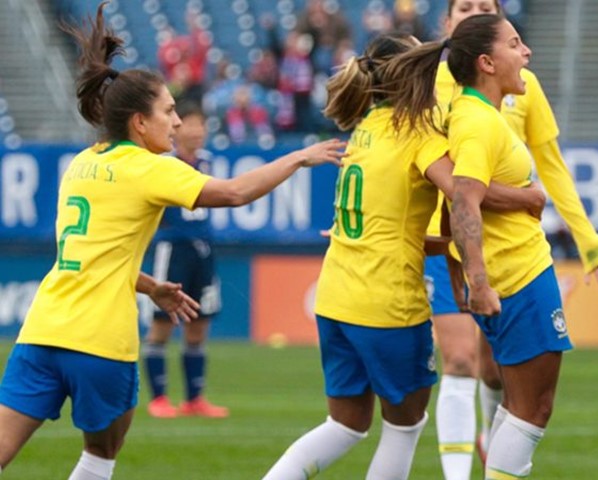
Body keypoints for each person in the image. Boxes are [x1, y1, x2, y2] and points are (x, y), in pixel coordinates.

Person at [0, 4, 345, 478]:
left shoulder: (82, 162)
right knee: (99, 456)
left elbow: (89, 254)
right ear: (139, 123)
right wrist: (298, 157)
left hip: (41, 330)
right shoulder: (151, 167)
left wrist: (150, 286)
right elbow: (235, 192)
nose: (178, 122)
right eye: (168, 111)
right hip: (100, 340)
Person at [261, 32, 544, 480]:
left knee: (345, 425)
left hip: (335, 298)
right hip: (386, 305)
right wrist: (527, 198)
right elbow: (465, 193)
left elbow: (391, 226)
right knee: (406, 426)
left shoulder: (365, 128)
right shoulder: (417, 135)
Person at [381, 13, 596, 479]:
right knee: (532, 409)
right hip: (517, 278)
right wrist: (476, 281)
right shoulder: (479, 122)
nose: (527, 53)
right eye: (515, 44)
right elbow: (464, 201)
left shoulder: (477, 115)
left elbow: (457, 202)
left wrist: (462, 274)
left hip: (512, 275)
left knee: (519, 405)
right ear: (487, 62)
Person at [142, 103, 229, 419]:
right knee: (162, 324)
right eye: (190, 124)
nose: (196, 131)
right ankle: (159, 398)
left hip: (203, 249)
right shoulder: (164, 164)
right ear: (177, 129)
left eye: (201, 125)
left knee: (199, 325)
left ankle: (194, 398)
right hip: (173, 249)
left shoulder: (206, 162)